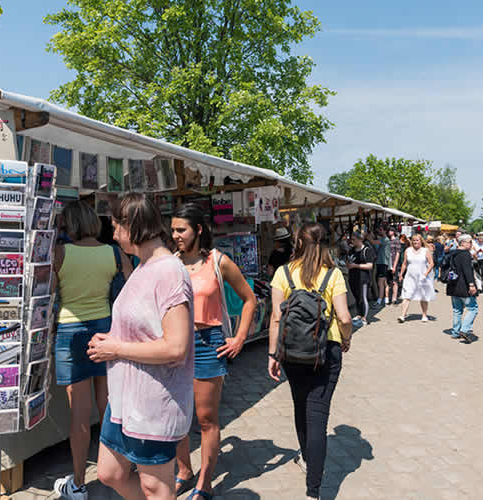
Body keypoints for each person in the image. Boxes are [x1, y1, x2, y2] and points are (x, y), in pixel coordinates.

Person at [89, 193, 192, 500]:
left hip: (153, 403)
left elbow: (175, 347)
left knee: (155, 486)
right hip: (125, 401)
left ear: (131, 225)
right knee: (109, 472)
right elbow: (140, 328)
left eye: (116, 227)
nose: (114, 234)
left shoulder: (169, 272)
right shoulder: (143, 266)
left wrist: (116, 348)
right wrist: (111, 341)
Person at [172, 203, 257, 499]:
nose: (175, 235)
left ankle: (205, 483)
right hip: (175, 344)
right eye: (172, 230)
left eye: (180, 229)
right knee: (177, 416)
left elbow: (249, 299)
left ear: (198, 230)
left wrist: (240, 338)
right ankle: (184, 471)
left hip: (208, 343)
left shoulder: (218, 261)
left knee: (205, 419)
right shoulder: (171, 262)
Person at [53, 201, 133, 500]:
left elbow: (47, 292)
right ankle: (122, 468)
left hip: (71, 333)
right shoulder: (114, 252)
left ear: (69, 223)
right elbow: (129, 288)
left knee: (79, 416)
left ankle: (77, 483)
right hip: (105, 329)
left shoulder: (60, 252)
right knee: (110, 407)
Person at [268, 223, 353, 500]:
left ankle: (305, 457)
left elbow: (276, 318)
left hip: (292, 351)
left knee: (300, 406)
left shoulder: (283, 273)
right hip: (325, 350)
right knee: (318, 416)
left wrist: (273, 354)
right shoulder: (333, 274)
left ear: (299, 243)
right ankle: (313, 492)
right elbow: (345, 318)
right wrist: (346, 339)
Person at [446, 234, 478, 343]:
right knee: (473, 308)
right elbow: (467, 270)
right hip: (463, 286)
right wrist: (471, 284)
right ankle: (464, 329)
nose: (471, 244)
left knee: (457, 310)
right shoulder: (465, 254)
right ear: (463, 243)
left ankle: (455, 332)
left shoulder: (452, 253)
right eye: (470, 242)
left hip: (453, 285)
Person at [398, 234, 435, 323]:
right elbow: (404, 263)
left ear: (421, 241)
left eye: (417, 240)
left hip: (422, 277)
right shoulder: (408, 250)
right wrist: (401, 274)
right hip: (410, 276)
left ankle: (424, 315)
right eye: (414, 240)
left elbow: (431, 264)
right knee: (406, 295)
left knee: (423, 296)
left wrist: (425, 274)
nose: (415, 242)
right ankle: (402, 316)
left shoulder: (425, 251)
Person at [345, 232, 374, 325]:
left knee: (362, 297)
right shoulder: (351, 250)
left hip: (363, 277)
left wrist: (355, 266)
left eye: (354, 239)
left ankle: (364, 317)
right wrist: (348, 265)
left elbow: (370, 265)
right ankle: (358, 314)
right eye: (351, 239)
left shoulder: (367, 250)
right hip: (353, 277)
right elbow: (348, 261)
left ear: (360, 239)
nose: (352, 241)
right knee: (356, 296)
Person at [366, 224, 391, 307]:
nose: (379, 231)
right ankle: (386, 300)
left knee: (380, 283)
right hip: (383, 263)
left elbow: (373, 242)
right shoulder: (384, 239)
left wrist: (367, 235)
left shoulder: (385, 240)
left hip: (382, 263)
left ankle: (379, 301)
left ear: (385, 230)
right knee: (384, 282)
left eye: (380, 229)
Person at [389, 230, 403, 304]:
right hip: (388, 263)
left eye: (389, 230)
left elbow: (398, 253)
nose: (388, 232)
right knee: (389, 281)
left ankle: (394, 298)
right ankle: (389, 297)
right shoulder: (388, 240)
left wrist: (394, 265)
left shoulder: (396, 240)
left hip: (394, 262)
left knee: (395, 281)